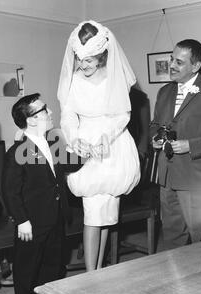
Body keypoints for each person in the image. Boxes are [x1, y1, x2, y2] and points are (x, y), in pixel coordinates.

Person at [58, 20, 140, 271]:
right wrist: (74, 138)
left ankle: (97, 273)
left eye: (89, 61)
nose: (83, 65)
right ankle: (90, 275)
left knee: (105, 216)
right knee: (93, 213)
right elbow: (67, 113)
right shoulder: (73, 79)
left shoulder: (115, 78)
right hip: (83, 147)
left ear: (102, 56)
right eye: (79, 59)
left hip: (112, 145)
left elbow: (122, 115)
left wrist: (103, 138)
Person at [2, 93, 77, 294]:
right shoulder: (17, 151)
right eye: (45, 109)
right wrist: (22, 221)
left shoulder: (52, 144)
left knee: (53, 268)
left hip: (55, 218)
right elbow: (10, 191)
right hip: (32, 223)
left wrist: (87, 152)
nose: (50, 111)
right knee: (27, 271)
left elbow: (71, 162)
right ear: (32, 119)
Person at [150, 39, 201, 250]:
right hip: (168, 178)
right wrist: (155, 137)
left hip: (197, 177)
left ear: (196, 66)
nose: (171, 65)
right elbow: (155, 124)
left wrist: (191, 145)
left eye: (179, 62)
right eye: (171, 59)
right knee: (172, 239)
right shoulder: (165, 92)